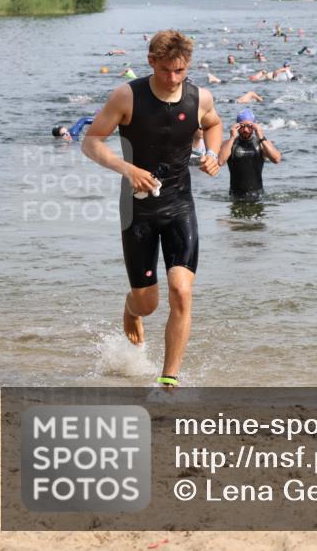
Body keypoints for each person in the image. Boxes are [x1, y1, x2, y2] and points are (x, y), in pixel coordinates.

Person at [81, 29, 222, 389]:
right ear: (151, 63)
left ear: (187, 66)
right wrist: (126, 169)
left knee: (181, 290)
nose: (173, 79)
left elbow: (214, 124)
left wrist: (209, 153)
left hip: (179, 204)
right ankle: (131, 308)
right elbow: (91, 141)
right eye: (165, 71)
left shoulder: (199, 97)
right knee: (148, 304)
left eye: (180, 71)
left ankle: (168, 378)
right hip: (137, 209)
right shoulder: (127, 96)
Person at [218, 108, 282, 201]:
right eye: (242, 126)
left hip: (258, 195)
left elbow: (277, 159)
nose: (246, 130)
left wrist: (261, 136)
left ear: (254, 126)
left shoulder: (262, 143)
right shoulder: (229, 144)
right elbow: (220, 161)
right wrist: (232, 138)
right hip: (235, 196)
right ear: (237, 126)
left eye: (249, 126)